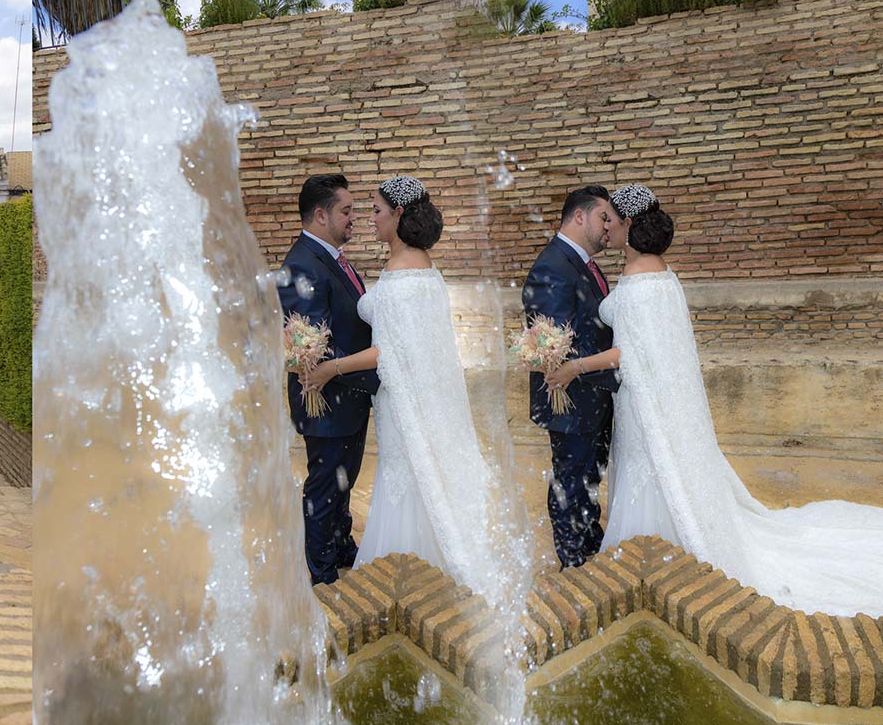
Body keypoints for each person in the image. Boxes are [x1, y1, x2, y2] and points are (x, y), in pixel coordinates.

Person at [548, 186, 883, 616]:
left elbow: (627, 353)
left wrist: (574, 366)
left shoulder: (637, 280)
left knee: (651, 472)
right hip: (652, 396)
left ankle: (657, 555)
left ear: (629, 224)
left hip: (644, 401)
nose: (606, 226)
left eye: (612, 218)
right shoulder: (661, 272)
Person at [300, 177, 514, 594]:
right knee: (416, 473)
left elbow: (389, 352)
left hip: (401, 400)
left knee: (404, 472)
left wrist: (330, 368)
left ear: (398, 214)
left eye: (377, 211)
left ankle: (401, 567)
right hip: (415, 395)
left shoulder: (401, 275)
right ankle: (425, 555)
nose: (370, 220)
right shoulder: (423, 265)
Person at [277, 174, 379, 585]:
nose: (353, 219)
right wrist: (360, 362)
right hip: (326, 398)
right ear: (321, 215)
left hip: (347, 395)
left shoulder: (331, 256)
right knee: (324, 484)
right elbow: (310, 345)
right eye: (346, 211)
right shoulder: (302, 264)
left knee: (343, 478)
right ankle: (321, 572)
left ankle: (339, 545)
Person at [522, 185, 621, 569]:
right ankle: (571, 555)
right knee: (569, 478)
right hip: (571, 399)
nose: (608, 227)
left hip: (593, 394)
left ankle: (588, 534)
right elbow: (550, 343)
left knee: (589, 476)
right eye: (603, 218)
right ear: (579, 217)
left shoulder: (584, 264)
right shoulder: (552, 267)